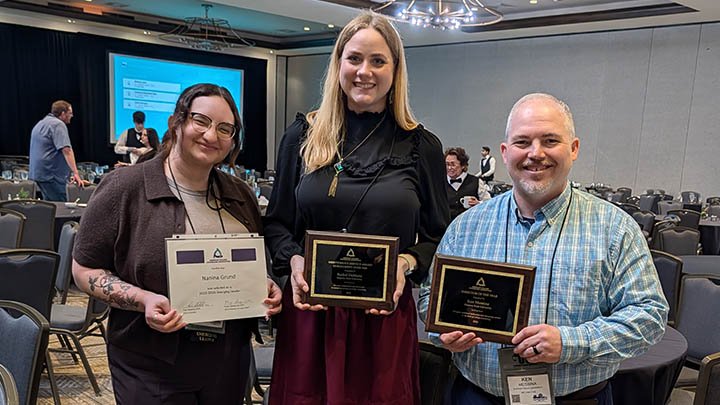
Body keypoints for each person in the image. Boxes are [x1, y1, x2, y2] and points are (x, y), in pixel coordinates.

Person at [418, 93, 668, 404]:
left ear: (574, 149)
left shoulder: (615, 229)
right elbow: (430, 298)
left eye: (550, 141)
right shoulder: (466, 227)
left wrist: (571, 342)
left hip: (575, 399)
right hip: (475, 396)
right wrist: (444, 334)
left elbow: (650, 316)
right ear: (506, 153)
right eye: (523, 142)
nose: (536, 153)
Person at [264, 11, 449, 405]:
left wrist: (407, 264)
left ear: (395, 70)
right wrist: (293, 261)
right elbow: (278, 223)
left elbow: (437, 235)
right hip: (310, 313)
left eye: (378, 61)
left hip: (383, 322)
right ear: (338, 64)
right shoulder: (302, 135)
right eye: (354, 59)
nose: (364, 71)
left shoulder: (422, 146)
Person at [71, 83, 282, 404]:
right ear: (177, 122)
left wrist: (261, 285)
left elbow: (241, 265)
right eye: (201, 121)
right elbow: (84, 268)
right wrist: (142, 299)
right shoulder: (126, 188)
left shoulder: (241, 196)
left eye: (225, 128)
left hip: (227, 358)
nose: (212, 136)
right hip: (149, 359)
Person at [29, 100, 84, 201]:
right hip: (52, 175)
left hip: (40, 174)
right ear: (63, 113)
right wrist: (76, 173)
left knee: (50, 207)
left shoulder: (41, 123)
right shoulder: (58, 125)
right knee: (61, 207)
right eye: (70, 113)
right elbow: (66, 150)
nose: (72, 116)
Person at [445, 147, 491, 220]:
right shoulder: (440, 183)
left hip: (470, 226)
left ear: (463, 165)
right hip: (446, 228)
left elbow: (490, 203)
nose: (449, 168)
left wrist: (479, 203)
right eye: (447, 164)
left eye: (453, 164)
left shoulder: (476, 182)